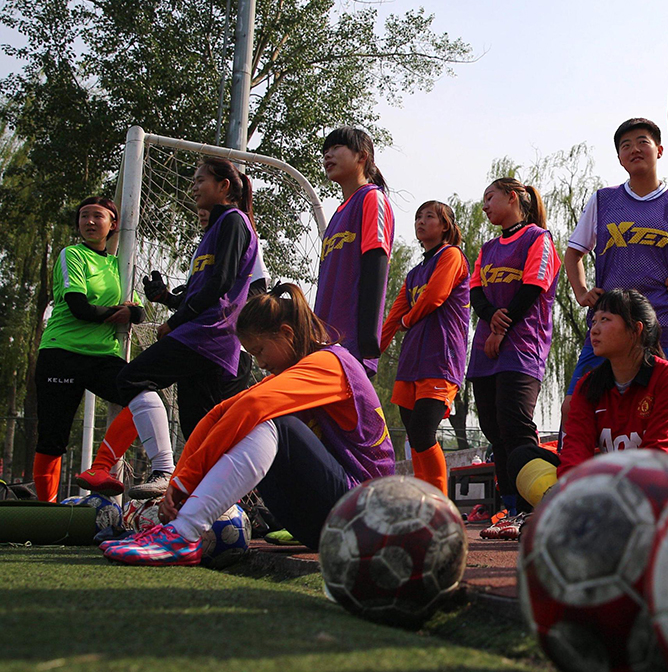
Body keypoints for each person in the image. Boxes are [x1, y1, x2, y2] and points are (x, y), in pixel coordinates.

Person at [102, 284, 395, 565]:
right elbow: (218, 413)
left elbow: (252, 407)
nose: (260, 363)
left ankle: (184, 533)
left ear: (286, 333)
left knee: (271, 421)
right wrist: (178, 483)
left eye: (260, 351)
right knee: (251, 419)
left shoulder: (331, 364)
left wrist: (186, 483)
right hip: (325, 522)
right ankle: (179, 528)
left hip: (366, 517)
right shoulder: (293, 375)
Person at [78, 205, 269, 494]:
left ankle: (240, 499)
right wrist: (167, 298)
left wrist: (179, 319)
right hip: (200, 341)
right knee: (197, 432)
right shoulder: (207, 246)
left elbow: (247, 294)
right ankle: (205, 504)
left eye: (202, 184)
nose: (201, 209)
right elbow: (203, 298)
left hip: (227, 349)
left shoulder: (237, 231)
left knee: (221, 433)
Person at [508, 290, 668, 530]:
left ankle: (573, 515)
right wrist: (578, 490)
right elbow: (576, 449)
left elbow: (658, 456)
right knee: (523, 458)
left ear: (636, 329)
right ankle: (565, 507)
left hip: (658, 487)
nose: (594, 329)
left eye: (605, 320)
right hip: (603, 491)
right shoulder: (588, 385)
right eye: (593, 321)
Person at [561, 118, 668, 422]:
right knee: (574, 407)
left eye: (642, 142)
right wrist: (581, 292)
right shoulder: (604, 200)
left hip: (667, 323)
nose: (634, 149)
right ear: (619, 157)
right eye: (625, 145)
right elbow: (573, 253)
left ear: (659, 150)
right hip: (610, 321)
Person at [31, 197, 144, 502]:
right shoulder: (72, 255)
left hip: (102, 356)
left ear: (114, 224)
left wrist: (129, 312)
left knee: (144, 399)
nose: (90, 222)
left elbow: (139, 312)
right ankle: (47, 509)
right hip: (61, 354)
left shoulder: (120, 264)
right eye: (84, 217)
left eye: (98, 216)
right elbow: (79, 307)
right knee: (53, 438)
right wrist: (117, 311)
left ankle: (100, 468)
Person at [467, 178, 560, 538]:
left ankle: (533, 507)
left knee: (516, 428)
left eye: (490, 197)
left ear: (512, 197)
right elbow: (476, 290)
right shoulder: (488, 247)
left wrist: (501, 329)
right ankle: (507, 509)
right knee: (493, 430)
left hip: (521, 348)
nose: (485, 206)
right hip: (485, 352)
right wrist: (491, 317)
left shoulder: (539, 238)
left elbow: (533, 287)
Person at [380, 201, 470, 496]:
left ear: (444, 225)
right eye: (418, 217)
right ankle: (423, 499)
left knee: (423, 431)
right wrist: (368, 352)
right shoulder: (414, 273)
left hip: (440, 359)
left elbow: (435, 296)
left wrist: (407, 319)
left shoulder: (452, 256)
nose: (420, 221)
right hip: (411, 363)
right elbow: (393, 315)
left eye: (428, 216)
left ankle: (439, 501)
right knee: (415, 436)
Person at [313, 127, 395, 377]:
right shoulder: (337, 214)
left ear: (362, 157)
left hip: (352, 342)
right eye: (325, 151)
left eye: (337, 148)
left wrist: (369, 335)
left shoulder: (371, 198)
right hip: (324, 340)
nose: (328, 156)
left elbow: (375, 262)